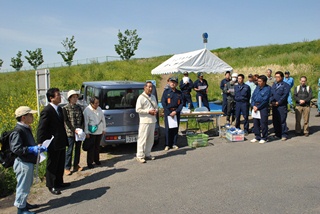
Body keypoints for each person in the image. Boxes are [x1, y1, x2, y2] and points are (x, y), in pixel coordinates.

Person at [10, 106, 46, 214]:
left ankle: (24, 203)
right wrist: (31, 149)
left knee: (26, 184)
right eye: (30, 115)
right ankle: (21, 209)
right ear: (23, 118)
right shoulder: (18, 131)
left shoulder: (26, 128)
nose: (32, 117)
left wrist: (37, 146)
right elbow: (16, 149)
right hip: (22, 163)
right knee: (23, 186)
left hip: (27, 161)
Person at [37, 88, 69, 195]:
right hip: (52, 142)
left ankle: (59, 182)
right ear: (51, 98)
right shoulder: (47, 111)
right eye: (57, 95)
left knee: (60, 162)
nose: (60, 96)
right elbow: (42, 127)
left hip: (61, 140)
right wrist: (40, 142)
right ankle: (51, 185)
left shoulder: (59, 109)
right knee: (52, 164)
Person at [62, 90, 85, 175]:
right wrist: (73, 129)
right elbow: (66, 121)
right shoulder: (65, 108)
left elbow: (82, 119)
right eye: (74, 97)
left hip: (78, 133)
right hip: (70, 133)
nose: (75, 99)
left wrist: (82, 129)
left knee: (78, 149)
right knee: (69, 150)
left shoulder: (79, 107)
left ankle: (76, 165)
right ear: (70, 98)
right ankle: (67, 167)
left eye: (76, 97)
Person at [135, 81, 158, 163]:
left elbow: (156, 106)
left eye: (151, 87)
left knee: (150, 139)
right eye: (149, 87)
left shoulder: (153, 97)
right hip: (144, 121)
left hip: (152, 120)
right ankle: (140, 155)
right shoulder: (141, 97)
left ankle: (147, 153)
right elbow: (138, 109)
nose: (150, 88)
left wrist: (155, 111)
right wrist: (148, 111)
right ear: (145, 87)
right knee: (142, 138)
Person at [83, 96, 106, 169]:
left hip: (99, 130)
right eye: (95, 103)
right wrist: (86, 132)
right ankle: (89, 162)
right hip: (91, 132)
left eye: (98, 103)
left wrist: (104, 129)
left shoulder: (99, 109)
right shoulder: (87, 110)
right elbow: (86, 122)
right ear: (91, 103)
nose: (97, 105)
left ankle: (97, 160)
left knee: (97, 147)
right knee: (91, 148)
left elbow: (103, 119)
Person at [161, 77, 183, 151]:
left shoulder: (179, 93)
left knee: (175, 129)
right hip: (168, 113)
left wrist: (176, 112)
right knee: (168, 129)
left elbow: (181, 104)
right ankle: (167, 144)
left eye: (174, 82)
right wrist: (169, 112)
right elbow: (163, 103)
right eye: (171, 82)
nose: (172, 83)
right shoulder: (166, 92)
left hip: (176, 113)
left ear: (176, 84)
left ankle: (174, 143)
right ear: (169, 83)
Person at [250, 75, 271, 144]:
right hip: (255, 107)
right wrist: (253, 105)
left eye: (260, 81)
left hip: (262, 108)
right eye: (258, 81)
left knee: (263, 123)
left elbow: (265, 100)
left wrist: (258, 107)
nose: (258, 82)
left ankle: (264, 137)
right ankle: (257, 136)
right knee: (256, 123)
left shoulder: (268, 89)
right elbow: (253, 97)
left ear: (264, 82)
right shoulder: (257, 88)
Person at [270, 71, 290, 141]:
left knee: (282, 120)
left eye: (278, 77)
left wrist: (279, 102)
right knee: (275, 120)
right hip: (274, 105)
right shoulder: (274, 85)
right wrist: (271, 101)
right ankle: (277, 134)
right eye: (276, 77)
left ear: (282, 77)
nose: (277, 78)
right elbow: (271, 94)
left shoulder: (286, 85)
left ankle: (284, 134)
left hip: (281, 106)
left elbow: (285, 95)